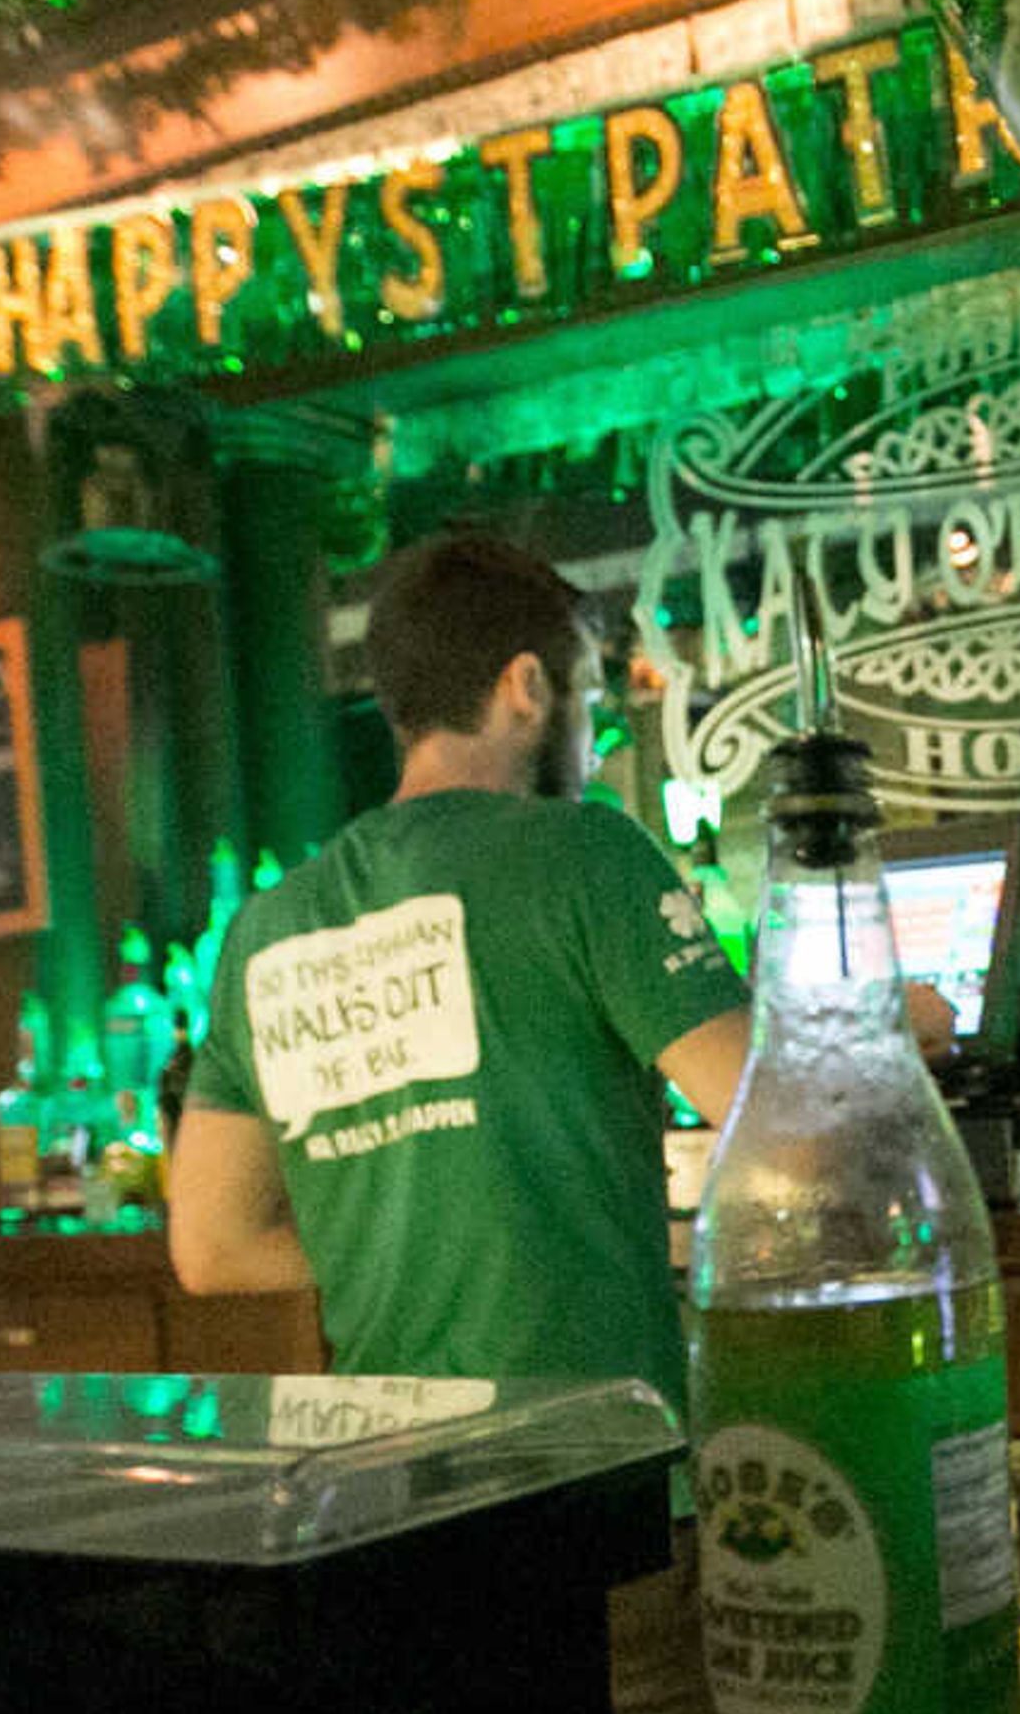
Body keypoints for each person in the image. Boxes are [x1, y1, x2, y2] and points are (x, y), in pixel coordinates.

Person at [168, 532, 752, 1417]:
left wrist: (406, 1243)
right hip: (585, 1469)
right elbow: (763, 1105)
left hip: (385, 1480)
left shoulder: (266, 931)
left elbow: (213, 1248)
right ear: (526, 688)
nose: (590, 744)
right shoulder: (584, 853)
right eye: (587, 698)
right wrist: (869, 1030)